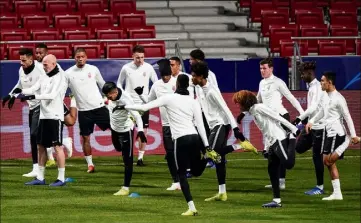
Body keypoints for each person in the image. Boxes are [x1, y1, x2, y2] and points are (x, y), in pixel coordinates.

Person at [125, 74, 221, 216]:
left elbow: (144, 107)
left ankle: (192, 208)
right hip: (194, 137)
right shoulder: (193, 101)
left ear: (176, 85)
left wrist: (125, 106)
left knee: (181, 174)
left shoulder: (168, 98)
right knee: (196, 172)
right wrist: (207, 146)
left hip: (180, 140)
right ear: (188, 86)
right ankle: (207, 157)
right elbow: (200, 125)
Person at [191, 61, 258, 202]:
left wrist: (236, 131)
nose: (192, 78)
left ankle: (240, 145)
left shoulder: (212, 91)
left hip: (221, 124)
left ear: (202, 76)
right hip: (212, 126)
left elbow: (226, 109)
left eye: (194, 76)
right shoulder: (197, 87)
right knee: (218, 158)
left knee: (212, 153)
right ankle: (222, 192)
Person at [233, 90, 299, 208]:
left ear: (245, 102)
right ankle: (276, 201)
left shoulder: (258, 108)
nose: (238, 105)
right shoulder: (253, 111)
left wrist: (293, 129)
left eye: (239, 103)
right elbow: (265, 130)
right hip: (272, 142)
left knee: (288, 164)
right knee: (272, 169)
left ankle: (292, 139)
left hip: (279, 138)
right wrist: (266, 147)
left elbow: (277, 117)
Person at [305, 71, 360, 201]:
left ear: (329, 82)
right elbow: (322, 112)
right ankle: (337, 194)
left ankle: (348, 141)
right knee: (329, 163)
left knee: (327, 161)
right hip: (329, 133)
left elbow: (348, 117)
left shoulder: (339, 99)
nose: (321, 83)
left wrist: (352, 135)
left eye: (323, 81)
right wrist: (312, 121)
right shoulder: (325, 95)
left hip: (336, 132)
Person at [255, 57, 304, 190]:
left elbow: (291, 98)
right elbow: (258, 99)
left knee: (281, 151)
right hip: (270, 120)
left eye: (264, 68)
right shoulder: (261, 83)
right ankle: (277, 182)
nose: (262, 71)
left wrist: (302, 113)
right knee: (272, 154)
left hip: (282, 117)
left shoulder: (278, 82)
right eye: (261, 68)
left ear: (271, 69)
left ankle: (281, 182)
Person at [19, 54, 67, 186]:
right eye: (43, 64)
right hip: (43, 115)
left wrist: (33, 96)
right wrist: (19, 91)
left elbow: (51, 96)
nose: (44, 67)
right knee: (40, 146)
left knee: (57, 147)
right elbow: (34, 88)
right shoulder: (44, 75)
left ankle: (61, 179)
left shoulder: (60, 77)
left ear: (53, 63)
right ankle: (40, 178)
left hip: (55, 116)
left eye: (46, 64)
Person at [2, 48, 45, 177]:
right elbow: (20, 84)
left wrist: (25, 95)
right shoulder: (21, 70)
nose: (21, 63)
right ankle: (36, 167)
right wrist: (10, 95)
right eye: (20, 60)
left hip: (42, 105)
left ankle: (37, 168)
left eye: (24, 60)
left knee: (33, 135)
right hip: (32, 106)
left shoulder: (40, 69)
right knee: (35, 136)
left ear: (31, 59)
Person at [65, 48, 110, 173]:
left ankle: (123, 151)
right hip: (84, 112)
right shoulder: (68, 74)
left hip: (99, 107)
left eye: (82, 56)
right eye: (78, 56)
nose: (80, 59)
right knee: (85, 138)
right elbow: (61, 90)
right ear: (74, 58)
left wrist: (110, 98)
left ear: (86, 57)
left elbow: (103, 85)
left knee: (116, 128)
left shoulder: (93, 69)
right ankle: (90, 165)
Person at [34, 43, 75, 167]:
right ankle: (51, 157)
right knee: (41, 136)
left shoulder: (55, 67)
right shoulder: (35, 66)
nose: (38, 55)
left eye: (41, 53)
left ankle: (64, 143)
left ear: (47, 54)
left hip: (53, 103)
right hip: (40, 103)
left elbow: (63, 80)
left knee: (70, 121)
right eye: (37, 53)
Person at [101, 82, 147, 196]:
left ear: (115, 92)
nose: (108, 98)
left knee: (128, 160)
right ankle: (123, 150)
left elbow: (137, 115)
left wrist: (140, 130)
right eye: (106, 96)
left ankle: (125, 188)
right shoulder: (110, 98)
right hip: (114, 129)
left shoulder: (126, 100)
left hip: (125, 130)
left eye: (109, 96)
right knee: (117, 148)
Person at [117, 45, 158, 166]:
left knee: (143, 132)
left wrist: (149, 98)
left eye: (142, 57)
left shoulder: (149, 68)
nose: (140, 60)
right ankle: (127, 155)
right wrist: (123, 95)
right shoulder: (126, 68)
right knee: (127, 131)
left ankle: (140, 158)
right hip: (129, 104)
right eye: (137, 57)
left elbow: (156, 84)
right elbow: (119, 83)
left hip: (143, 105)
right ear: (132, 57)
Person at [291, 61, 329, 195]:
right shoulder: (311, 87)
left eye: (302, 73)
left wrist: (299, 118)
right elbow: (312, 109)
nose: (301, 76)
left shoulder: (317, 87)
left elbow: (313, 107)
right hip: (311, 125)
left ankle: (320, 187)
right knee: (298, 148)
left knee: (316, 156)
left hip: (319, 127)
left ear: (309, 73)